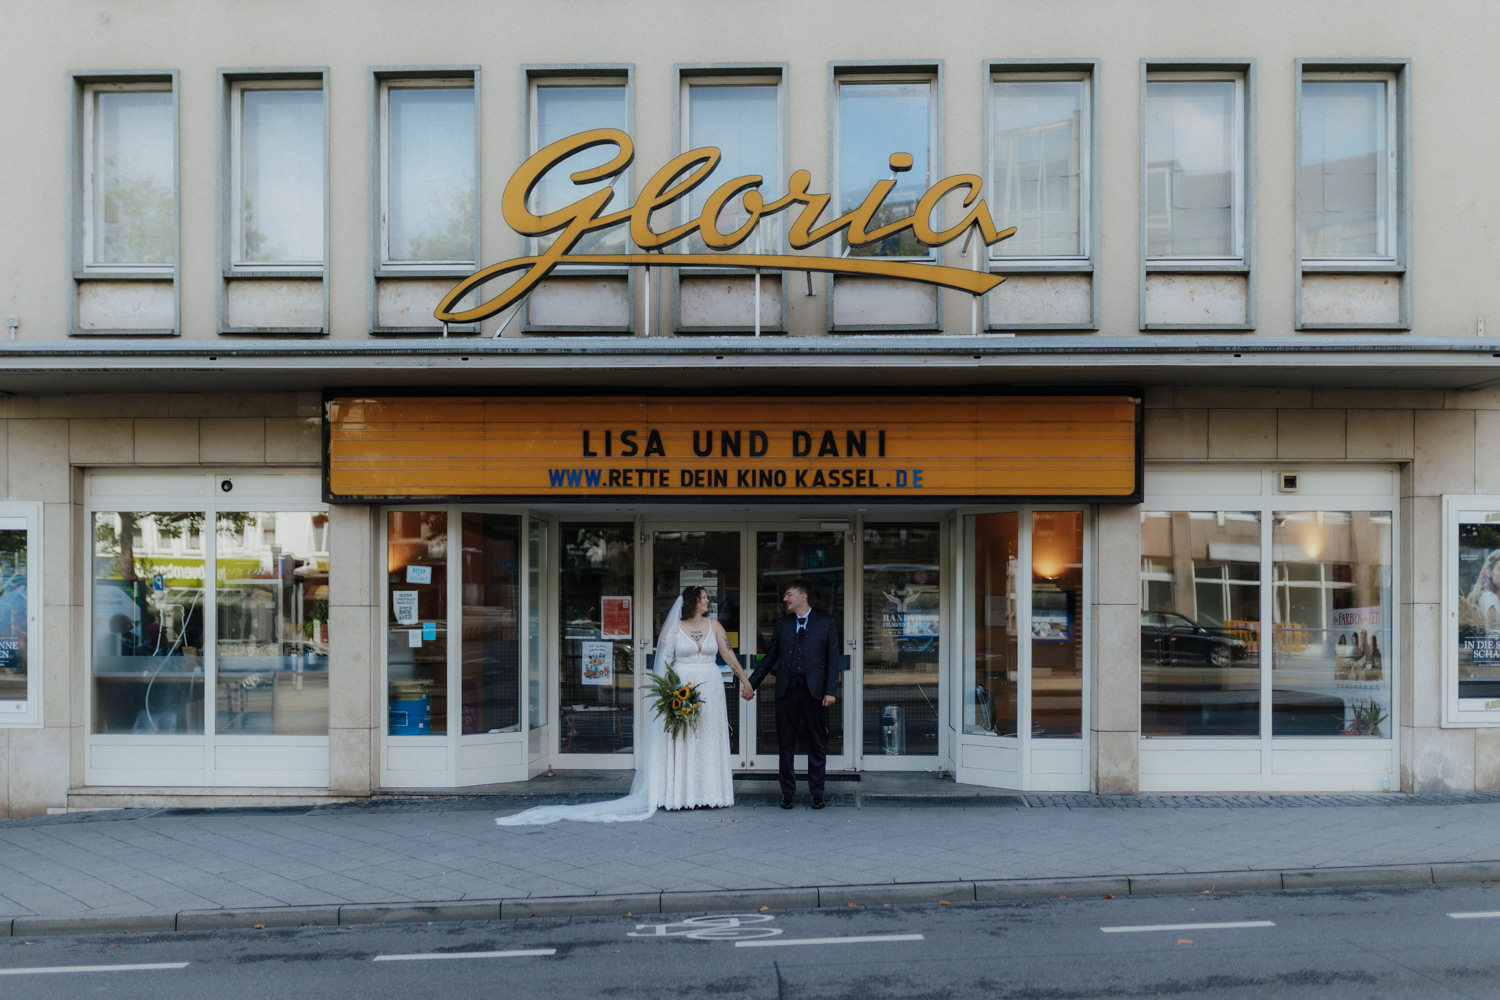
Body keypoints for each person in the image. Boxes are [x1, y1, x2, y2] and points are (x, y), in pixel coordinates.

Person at [496, 583, 752, 826]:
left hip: (711, 690)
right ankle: (681, 795)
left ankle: (710, 793)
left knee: (708, 738)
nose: (707, 600)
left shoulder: (714, 626)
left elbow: (728, 655)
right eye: (703, 597)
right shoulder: (674, 629)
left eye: (707, 597)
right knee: (682, 740)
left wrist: (745, 681)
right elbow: (664, 664)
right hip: (682, 688)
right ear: (692, 601)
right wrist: (666, 696)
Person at [748, 579, 841, 810]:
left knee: (816, 743)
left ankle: (817, 793)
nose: (785, 599)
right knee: (786, 743)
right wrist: (751, 684)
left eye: (789, 594)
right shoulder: (783, 624)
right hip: (786, 691)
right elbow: (770, 657)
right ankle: (787, 792)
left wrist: (831, 691)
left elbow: (833, 661)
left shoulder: (825, 622)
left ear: (803, 596)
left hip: (814, 693)